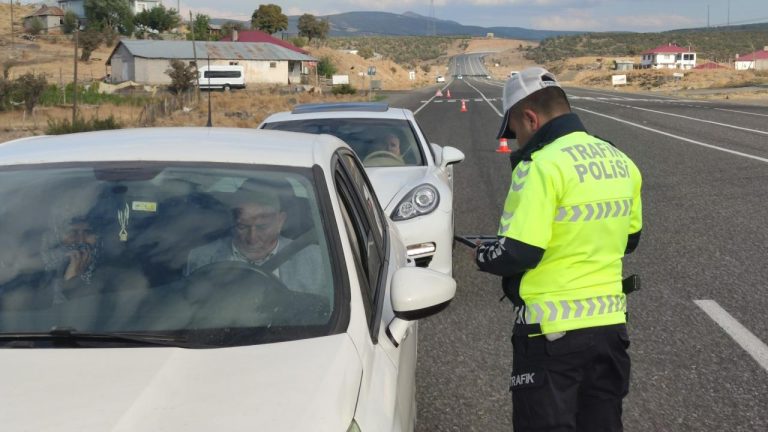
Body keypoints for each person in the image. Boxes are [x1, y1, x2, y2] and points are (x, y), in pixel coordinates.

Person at [473, 67, 642, 432]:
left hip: (550, 335)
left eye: (515, 131)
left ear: (530, 118)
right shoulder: (619, 159)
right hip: (611, 327)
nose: (516, 141)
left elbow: (520, 252)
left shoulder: (541, 166)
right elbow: (630, 239)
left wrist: (482, 255)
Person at [185, 181, 323, 296]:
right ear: (232, 222)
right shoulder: (200, 258)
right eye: (242, 226)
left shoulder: (314, 260)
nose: (252, 238)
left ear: (280, 221)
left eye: (262, 227)